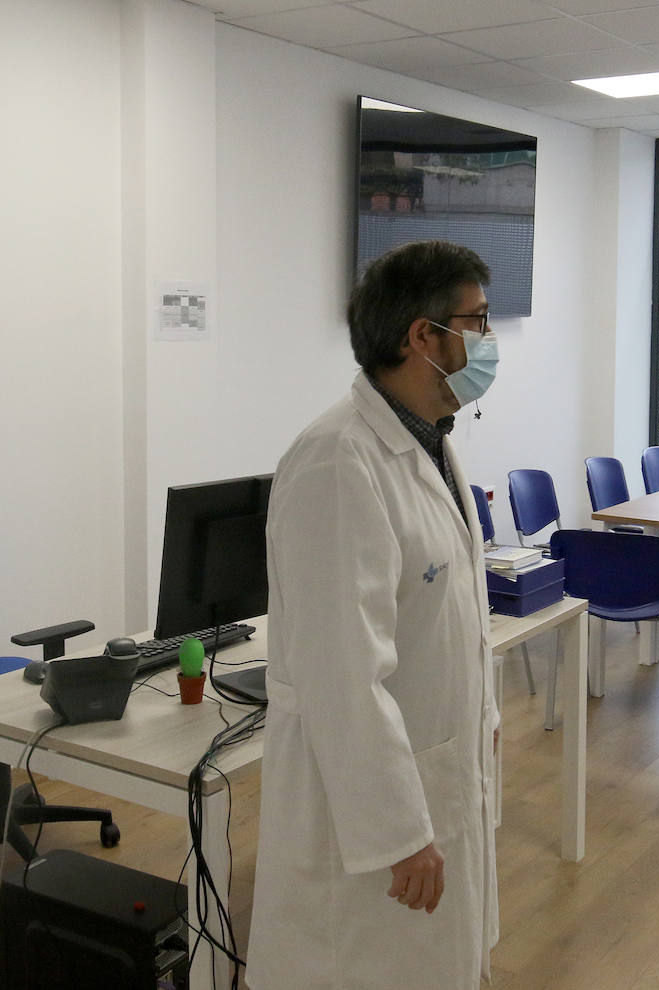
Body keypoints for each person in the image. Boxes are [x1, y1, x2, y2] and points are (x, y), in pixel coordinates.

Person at [246, 241, 501, 989]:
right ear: (422, 336)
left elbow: (440, 617)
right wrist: (397, 830)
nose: (489, 344)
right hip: (368, 820)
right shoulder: (337, 462)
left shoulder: (429, 445)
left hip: (439, 763)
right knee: (361, 964)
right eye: (477, 323)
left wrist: (480, 714)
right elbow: (342, 676)